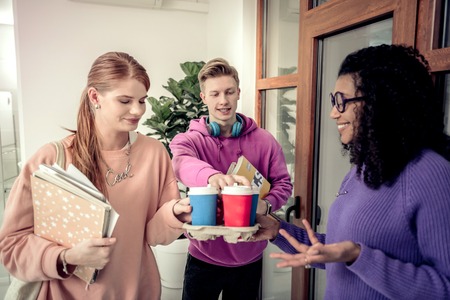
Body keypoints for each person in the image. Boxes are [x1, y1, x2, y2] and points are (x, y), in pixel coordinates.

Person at [253, 44, 450, 299]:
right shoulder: (364, 168)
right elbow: (338, 251)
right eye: (334, 101)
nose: (334, 113)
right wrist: (276, 229)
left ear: (382, 102)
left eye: (342, 101)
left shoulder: (431, 173)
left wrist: (359, 256)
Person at [0, 52, 191, 299]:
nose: (137, 110)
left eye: (142, 100)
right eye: (125, 101)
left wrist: (173, 214)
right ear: (95, 96)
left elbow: (152, 236)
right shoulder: (50, 158)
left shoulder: (154, 153)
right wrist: (66, 257)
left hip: (136, 291)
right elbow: (12, 245)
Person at [169, 57, 293, 299]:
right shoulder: (189, 140)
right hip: (202, 259)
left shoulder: (265, 141)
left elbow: (283, 184)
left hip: (250, 259)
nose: (223, 101)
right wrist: (213, 176)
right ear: (203, 98)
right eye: (214, 94)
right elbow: (181, 163)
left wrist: (266, 205)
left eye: (229, 92)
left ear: (238, 93)